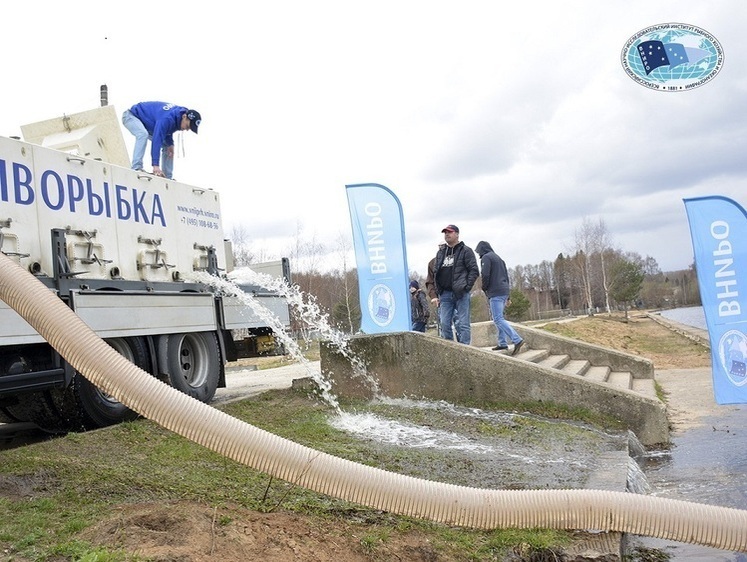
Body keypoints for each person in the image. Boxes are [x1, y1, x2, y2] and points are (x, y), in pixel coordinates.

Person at [122, 102, 201, 179]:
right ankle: (136, 167)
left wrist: (170, 144)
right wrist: (155, 165)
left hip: (148, 124)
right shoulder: (167, 118)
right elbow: (157, 140)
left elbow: (168, 131)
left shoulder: (177, 117)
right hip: (131, 116)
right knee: (143, 134)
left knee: (169, 147)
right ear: (184, 117)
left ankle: (167, 177)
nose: (187, 129)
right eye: (187, 126)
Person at [431, 225, 479, 344]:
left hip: (461, 293)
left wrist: (467, 287)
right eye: (445, 233)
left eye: (450, 232)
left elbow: (474, 270)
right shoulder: (441, 253)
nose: (447, 234)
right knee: (444, 324)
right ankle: (451, 349)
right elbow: (435, 272)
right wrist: (438, 291)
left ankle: (465, 350)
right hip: (445, 294)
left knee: (463, 324)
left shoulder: (466, 251)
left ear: (457, 234)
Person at [475, 240, 524, 356]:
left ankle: (517, 339)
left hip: (495, 291)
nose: (478, 254)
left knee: (497, 319)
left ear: (482, 250)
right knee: (500, 317)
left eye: (478, 252)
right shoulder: (499, 259)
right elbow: (506, 277)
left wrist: (484, 288)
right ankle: (502, 342)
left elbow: (485, 275)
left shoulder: (486, 258)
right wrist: (508, 296)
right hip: (504, 290)